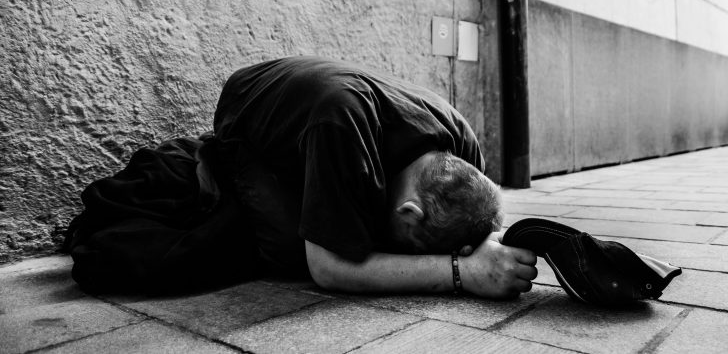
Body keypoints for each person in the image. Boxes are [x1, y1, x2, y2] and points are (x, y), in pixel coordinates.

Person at [211, 56, 537, 298]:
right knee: (293, 252)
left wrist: (489, 245)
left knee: (355, 229)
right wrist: (462, 272)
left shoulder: (463, 144)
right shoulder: (342, 131)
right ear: (410, 211)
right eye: (417, 246)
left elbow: (472, 220)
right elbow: (328, 267)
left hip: (325, 108)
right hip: (244, 108)